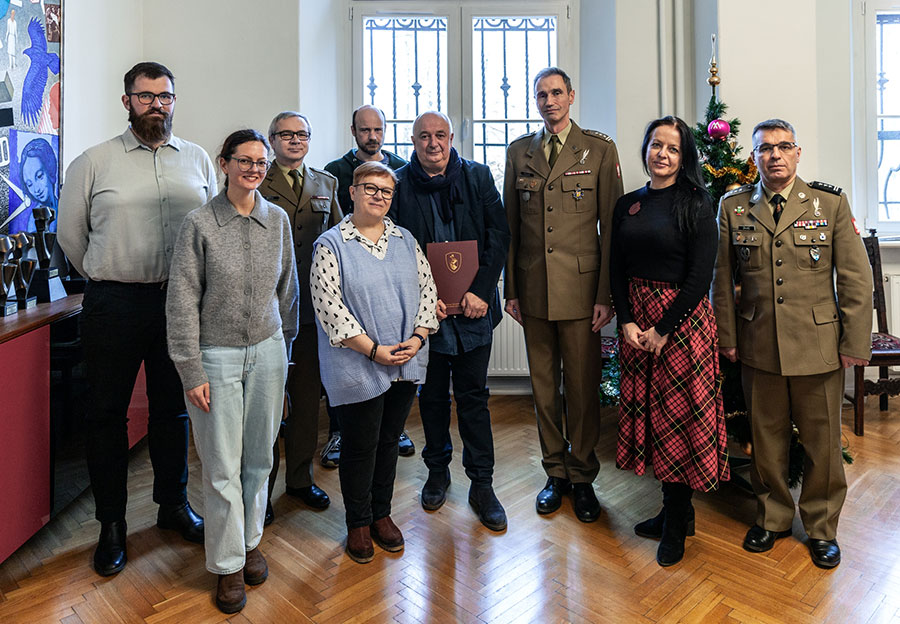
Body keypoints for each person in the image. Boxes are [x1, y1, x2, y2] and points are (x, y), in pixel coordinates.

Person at [58, 61, 213, 577]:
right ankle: (112, 526)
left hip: (179, 305)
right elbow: (70, 238)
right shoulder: (93, 162)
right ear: (126, 102)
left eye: (164, 96)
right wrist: (110, 275)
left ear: (174, 100)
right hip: (113, 305)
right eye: (145, 96)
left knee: (173, 412)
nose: (156, 104)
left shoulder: (196, 160)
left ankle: (172, 508)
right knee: (107, 417)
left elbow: (209, 231)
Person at [712, 118, 872, 568]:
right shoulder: (733, 207)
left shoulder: (829, 203)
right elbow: (720, 281)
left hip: (819, 346)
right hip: (758, 343)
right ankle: (773, 517)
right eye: (765, 149)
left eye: (783, 147)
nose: (775, 156)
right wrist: (727, 337)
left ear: (798, 153)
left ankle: (821, 528)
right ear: (754, 157)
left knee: (822, 445)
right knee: (765, 441)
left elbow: (857, 282)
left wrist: (853, 343)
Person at [167, 129, 299, 614]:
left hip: (267, 353)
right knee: (221, 465)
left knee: (259, 459)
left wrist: (284, 358)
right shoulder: (200, 225)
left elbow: (289, 295)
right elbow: (181, 302)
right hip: (215, 357)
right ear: (223, 164)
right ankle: (225, 566)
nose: (253, 169)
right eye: (243, 160)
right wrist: (190, 369)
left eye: (260, 161)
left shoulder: (277, 220)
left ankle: (249, 542)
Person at [503, 67, 623, 522]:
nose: (549, 101)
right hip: (533, 291)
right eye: (541, 95)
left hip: (582, 292)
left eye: (556, 93)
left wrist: (606, 294)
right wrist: (511, 289)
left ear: (571, 96)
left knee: (582, 388)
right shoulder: (520, 153)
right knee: (544, 389)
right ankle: (555, 472)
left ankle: (583, 474)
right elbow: (511, 226)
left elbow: (612, 229)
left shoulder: (598, 149)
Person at [611, 116, 729, 566]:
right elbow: (616, 268)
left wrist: (663, 329)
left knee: (679, 421)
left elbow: (700, 277)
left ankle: (678, 521)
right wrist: (626, 321)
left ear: (685, 157)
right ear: (645, 149)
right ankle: (670, 509)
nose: (662, 154)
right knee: (655, 422)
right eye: (656, 145)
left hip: (680, 326)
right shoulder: (628, 205)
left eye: (672, 149)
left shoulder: (697, 202)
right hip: (637, 326)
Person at [388, 111, 510, 531]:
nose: (433, 143)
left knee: (474, 398)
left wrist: (481, 290)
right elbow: (395, 246)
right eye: (424, 136)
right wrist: (424, 300)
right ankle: (437, 472)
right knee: (433, 398)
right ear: (413, 140)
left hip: (475, 311)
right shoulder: (399, 184)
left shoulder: (477, 177)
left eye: (440, 135)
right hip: (428, 318)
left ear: (452, 138)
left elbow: (499, 235)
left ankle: (482, 484)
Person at [311, 161, 439, 563]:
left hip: (404, 359)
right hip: (358, 364)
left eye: (386, 191)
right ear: (352, 192)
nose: (379, 196)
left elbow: (427, 290)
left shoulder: (404, 239)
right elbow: (329, 307)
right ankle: (358, 523)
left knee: (388, 441)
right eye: (370, 188)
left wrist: (418, 338)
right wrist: (373, 350)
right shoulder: (331, 245)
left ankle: (382, 514)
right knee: (360, 445)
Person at [258, 112, 339, 521]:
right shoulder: (256, 180)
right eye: (286, 134)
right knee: (269, 402)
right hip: (267, 310)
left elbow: (340, 241)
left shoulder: (326, 183)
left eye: (302, 134)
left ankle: (300, 479)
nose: (295, 140)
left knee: (307, 399)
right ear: (272, 140)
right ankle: (262, 489)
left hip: (311, 312)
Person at [324, 104, 414, 467]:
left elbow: (400, 224)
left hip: (388, 273)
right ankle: (338, 432)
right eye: (365, 130)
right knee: (346, 363)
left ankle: (395, 427)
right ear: (353, 131)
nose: (372, 136)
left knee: (392, 353)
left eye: (378, 129)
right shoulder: (334, 171)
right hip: (349, 272)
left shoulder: (400, 168)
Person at [18, 137, 59, 233]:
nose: (36, 190)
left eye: (39, 176)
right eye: (29, 184)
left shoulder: (65, 207)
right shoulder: (34, 219)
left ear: (50, 170)